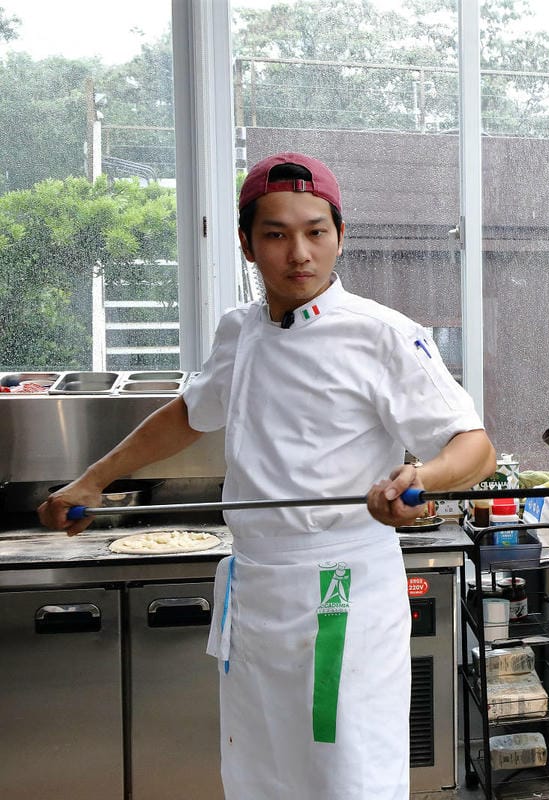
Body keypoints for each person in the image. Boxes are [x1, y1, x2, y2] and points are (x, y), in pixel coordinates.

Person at [38, 152, 497, 799]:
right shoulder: (238, 334)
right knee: (261, 777)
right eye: (277, 234)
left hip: (344, 589)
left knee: (347, 775)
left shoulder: (382, 334)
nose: (300, 253)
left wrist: (419, 477)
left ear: (340, 235)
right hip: (255, 589)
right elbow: (187, 416)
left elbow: (474, 445)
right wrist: (94, 479)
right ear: (247, 244)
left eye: (316, 231)